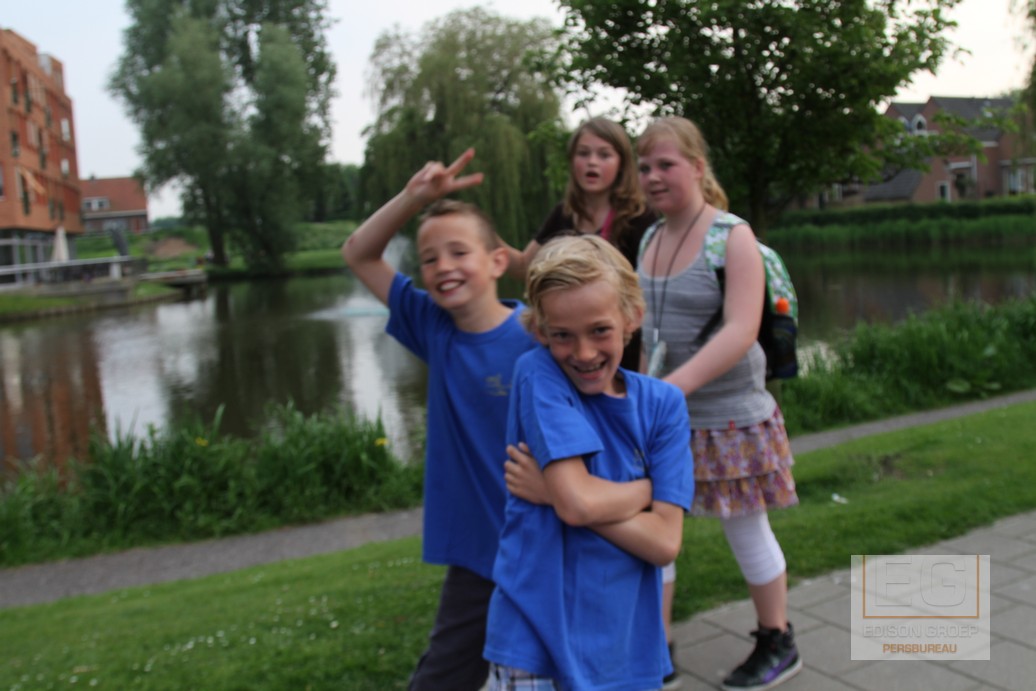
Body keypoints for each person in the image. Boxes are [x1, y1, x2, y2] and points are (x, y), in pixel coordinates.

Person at [341, 149, 538, 690]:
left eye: (459, 252)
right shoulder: (433, 326)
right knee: (444, 676)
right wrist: (414, 198)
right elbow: (358, 253)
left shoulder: (540, 336)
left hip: (544, 542)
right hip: (477, 554)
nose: (443, 266)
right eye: (429, 259)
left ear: (498, 261)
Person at [483, 234, 694, 690]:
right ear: (541, 331)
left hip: (625, 650)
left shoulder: (664, 406)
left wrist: (553, 493)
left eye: (600, 330)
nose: (582, 353)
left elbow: (664, 542)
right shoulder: (539, 374)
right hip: (535, 643)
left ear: (632, 317)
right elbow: (577, 504)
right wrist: (646, 491)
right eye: (562, 335)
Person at [635, 116, 802, 691]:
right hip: (666, 417)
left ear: (698, 168)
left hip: (729, 417)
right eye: (644, 167)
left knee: (745, 531)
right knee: (655, 532)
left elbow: (740, 329)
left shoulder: (731, 236)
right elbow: (648, 332)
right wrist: (642, 393)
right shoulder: (650, 239)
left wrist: (668, 388)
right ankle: (656, 648)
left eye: (666, 165)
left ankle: (777, 640)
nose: (653, 177)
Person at [507, 116, 657, 371]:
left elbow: (649, 297)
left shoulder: (640, 218)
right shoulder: (564, 214)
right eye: (583, 153)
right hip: (569, 351)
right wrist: (478, 233)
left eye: (604, 155)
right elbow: (523, 266)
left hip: (620, 351)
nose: (592, 162)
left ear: (622, 163)